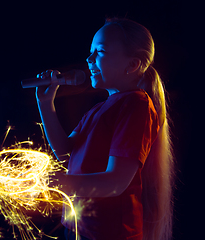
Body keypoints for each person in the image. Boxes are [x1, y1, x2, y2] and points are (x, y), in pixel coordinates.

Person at [35, 18, 174, 240]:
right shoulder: (99, 109)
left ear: (132, 65)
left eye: (100, 51)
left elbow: (115, 183)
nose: (89, 59)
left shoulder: (136, 105)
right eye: (90, 51)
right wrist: (45, 104)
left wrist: (60, 181)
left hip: (108, 233)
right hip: (77, 227)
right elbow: (63, 152)